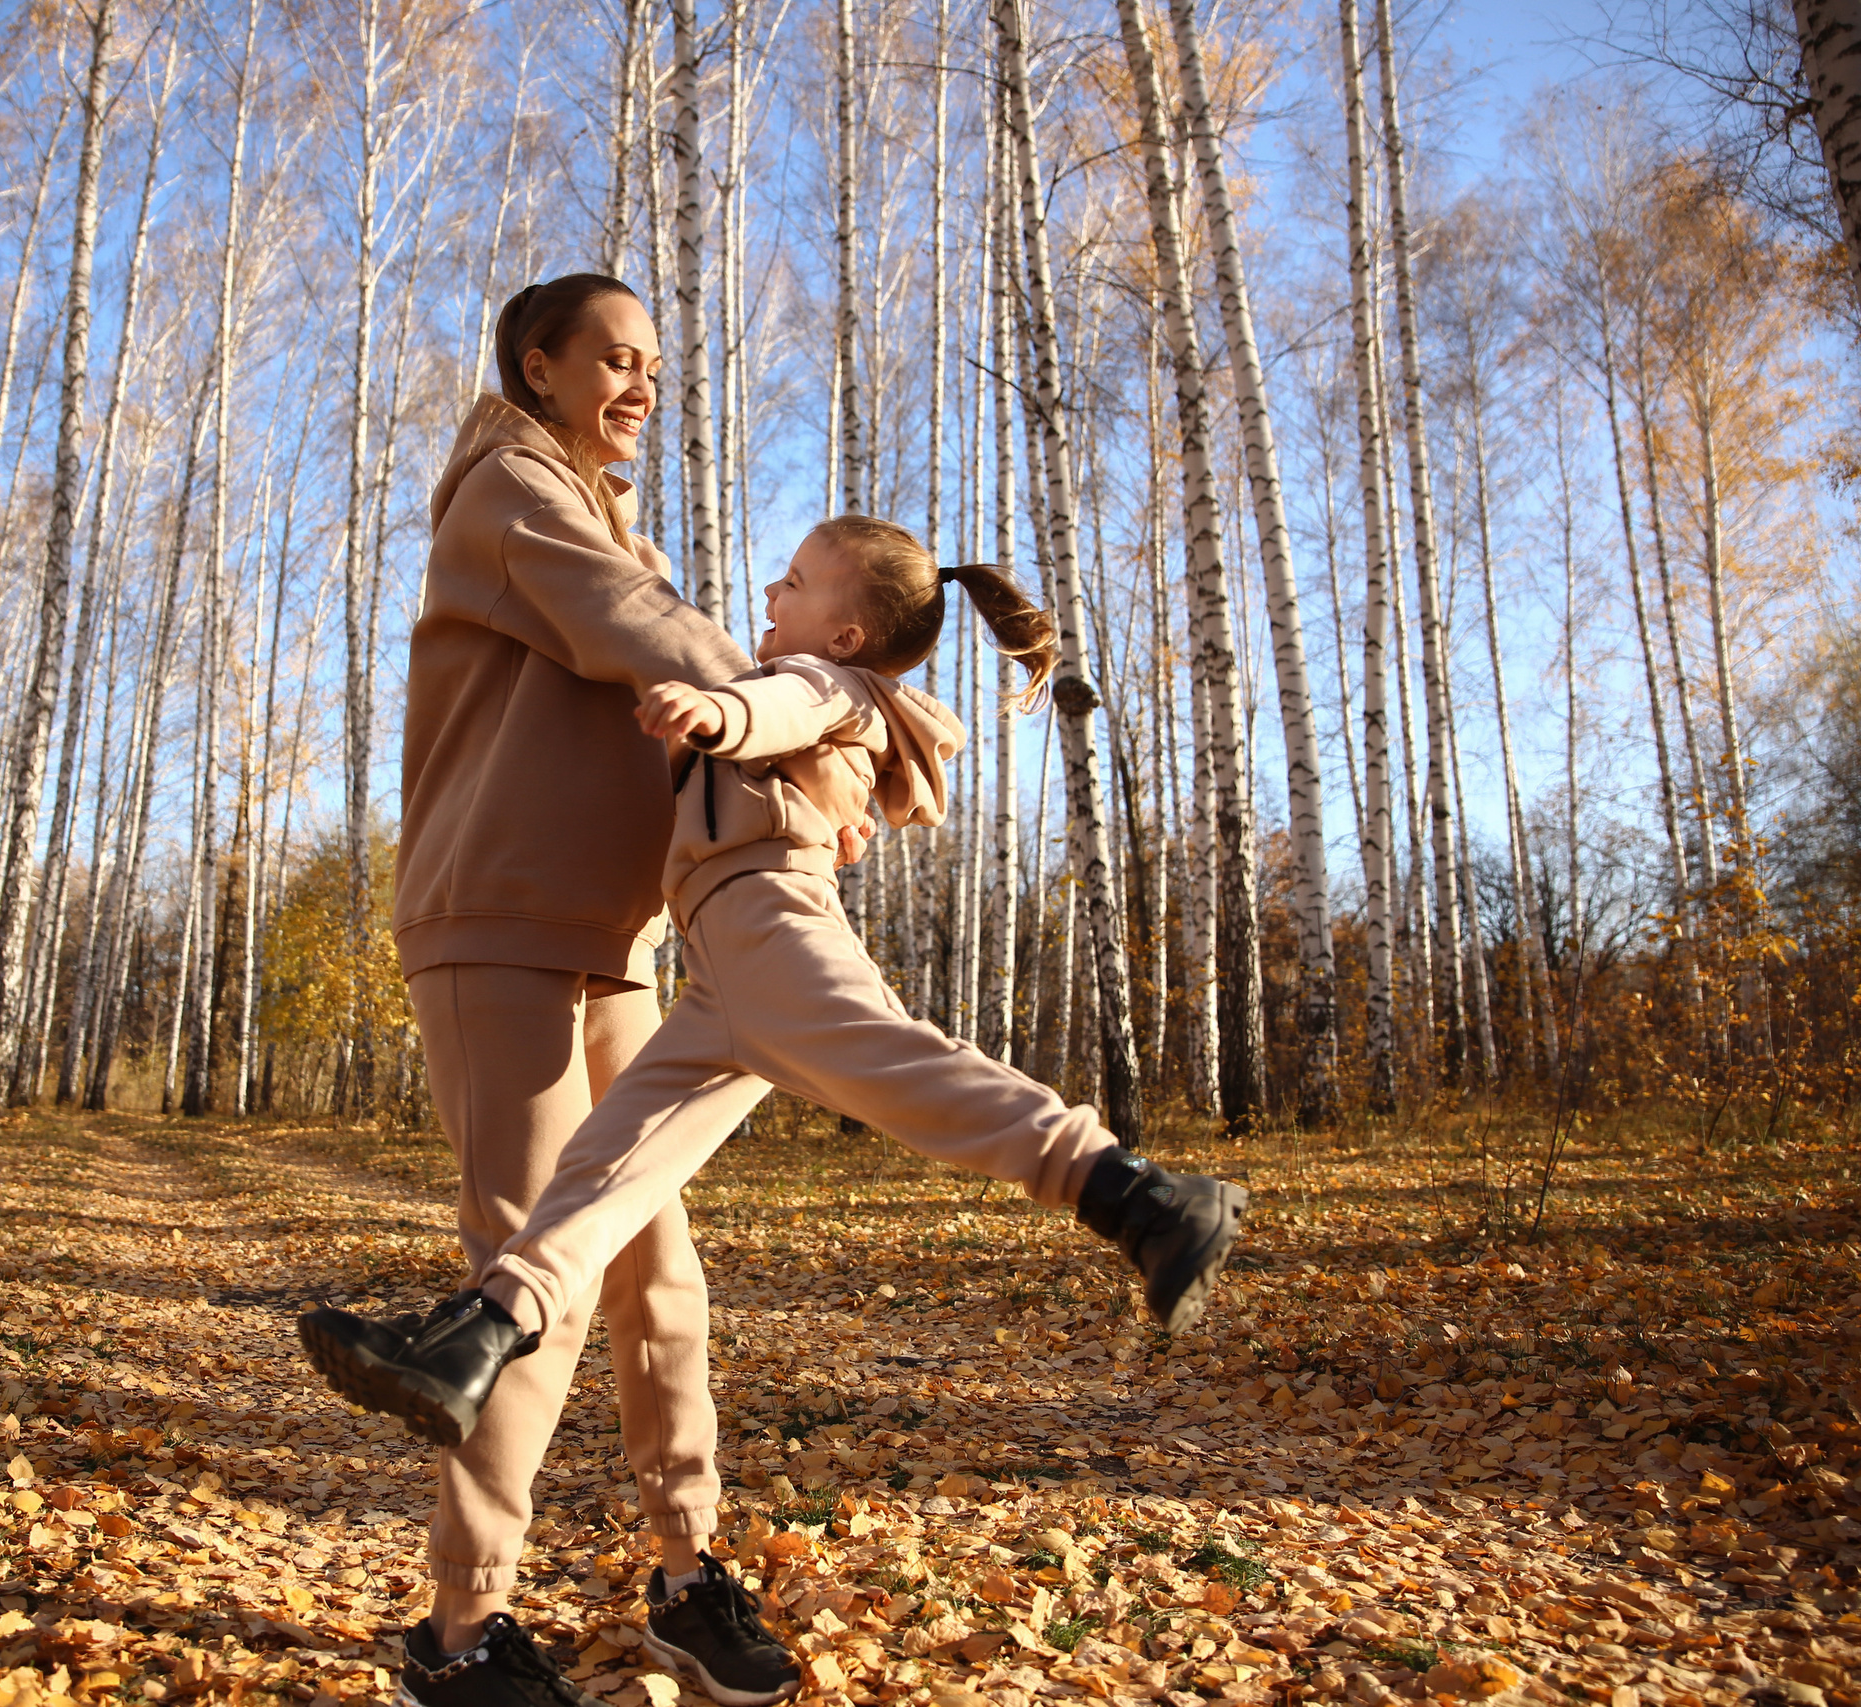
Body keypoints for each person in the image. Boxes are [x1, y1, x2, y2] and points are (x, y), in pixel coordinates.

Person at [303, 513, 1248, 1480]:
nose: (770, 591)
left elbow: (786, 704)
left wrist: (718, 714)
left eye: (794, 581)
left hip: (772, 925)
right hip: (723, 972)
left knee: (896, 1064)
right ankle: (478, 1337)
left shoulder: (831, 683)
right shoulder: (828, 685)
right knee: (606, 1168)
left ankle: (1138, 1194)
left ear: (845, 633)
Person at [358, 272, 860, 1707]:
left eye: (654, 365)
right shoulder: (511, 492)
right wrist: (813, 712)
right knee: (535, 1281)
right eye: (617, 359)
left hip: (611, 937)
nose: (643, 385)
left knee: (656, 1274)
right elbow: (636, 627)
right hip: (497, 922)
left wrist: (787, 732)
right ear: (541, 365)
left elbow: (665, 669)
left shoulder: (599, 510)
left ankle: (687, 1574)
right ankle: (459, 1633)